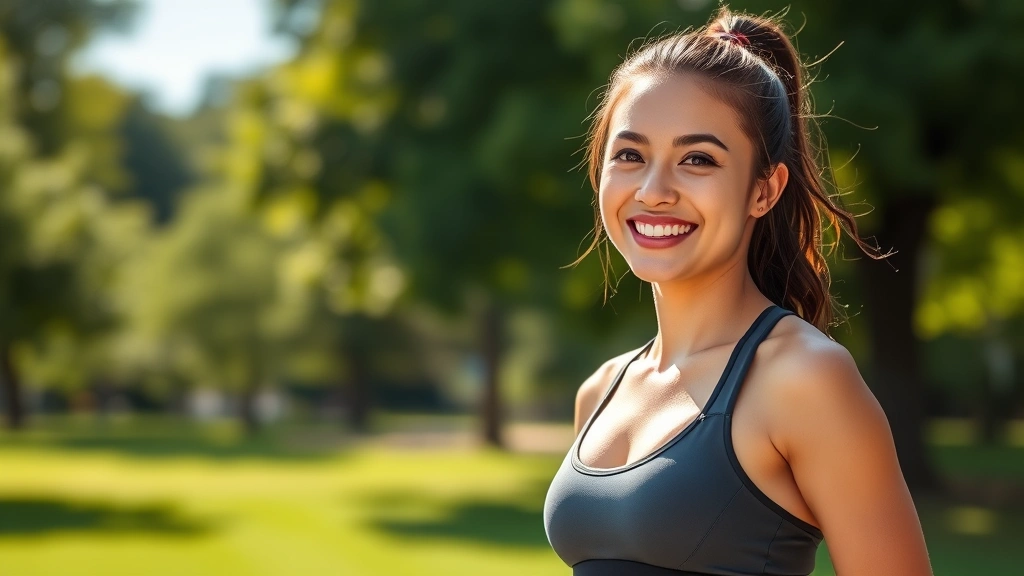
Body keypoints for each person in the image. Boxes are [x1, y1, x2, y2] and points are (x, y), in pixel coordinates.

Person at [542, 6, 933, 576]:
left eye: (697, 159)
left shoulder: (804, 378)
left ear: (764, 190)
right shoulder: (601, 390)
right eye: (630, 155)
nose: (653, 191)